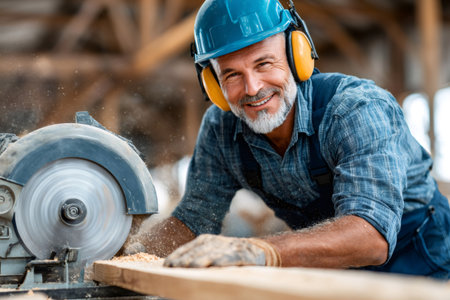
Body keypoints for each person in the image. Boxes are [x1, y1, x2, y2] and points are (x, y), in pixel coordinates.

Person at [124, 0, 450, 279]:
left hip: (422, 257)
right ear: (213, 85)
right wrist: (129, 252)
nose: (252, 88)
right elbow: (191, 222)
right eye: (232, 75)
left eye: (264, 64)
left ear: (297, 55)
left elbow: (371, 237)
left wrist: (260, 249)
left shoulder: (355, 110)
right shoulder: (221, 130)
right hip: (332, 265)